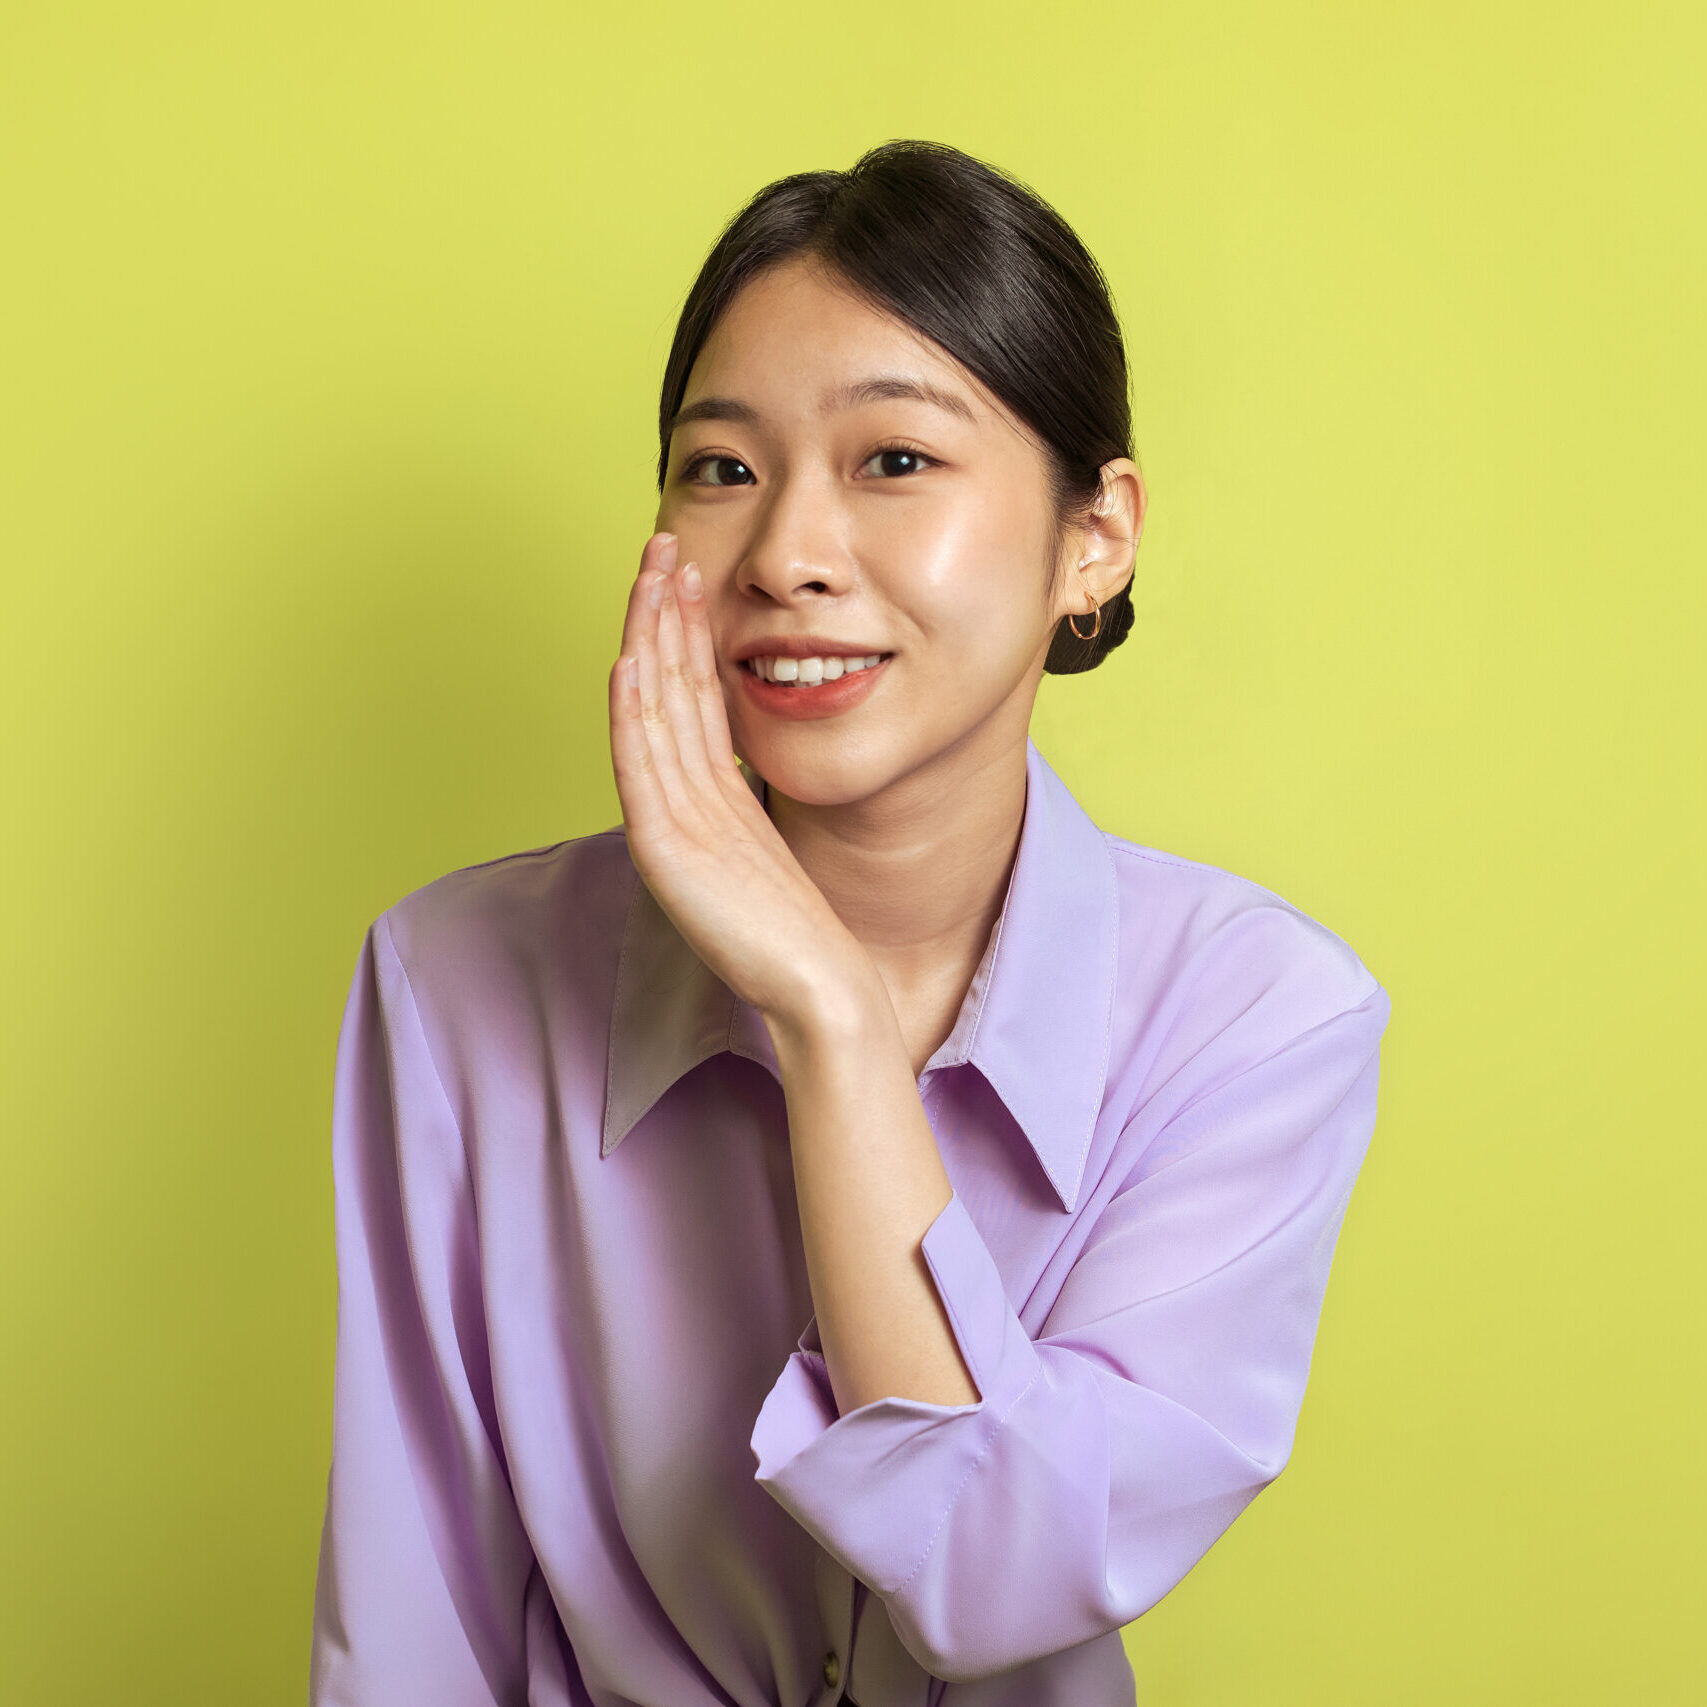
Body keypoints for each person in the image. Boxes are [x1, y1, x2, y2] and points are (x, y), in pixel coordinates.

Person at [308, 139, 1391, 1707]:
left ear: (1096, 537)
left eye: (894, 461)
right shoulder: (454, 978)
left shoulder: (1254, 1016)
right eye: (722, 469)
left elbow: (988, 1576)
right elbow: (410, 1631)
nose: (787, 556)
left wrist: (826, 1015)